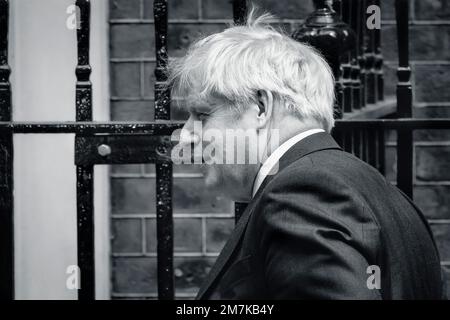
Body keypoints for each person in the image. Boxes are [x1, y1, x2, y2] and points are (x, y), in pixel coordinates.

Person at [168, 8, 444, 299]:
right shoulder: (387, 196)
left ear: (261, 106)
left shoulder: (300, 194)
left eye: (202, 113)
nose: (185, 135)